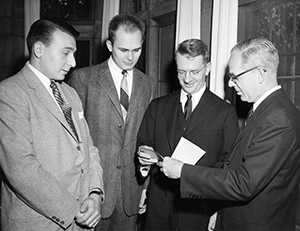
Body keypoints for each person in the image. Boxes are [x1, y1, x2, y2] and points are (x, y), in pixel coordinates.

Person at [159, 37, 300, 231]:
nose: (231, 84)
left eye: (235, 77)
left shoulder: (278, 119)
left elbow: (243, 183)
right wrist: (220, 209)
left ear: (259, 74)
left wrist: (182, 171)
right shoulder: (267, 110)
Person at [0, 19, 104, 231]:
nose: (73, 62)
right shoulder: (9, 93)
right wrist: (74, 210)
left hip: (82, 221)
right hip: (40, 223)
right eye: (66, 53)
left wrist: (95, 194)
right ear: (39, 49)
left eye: (73, 53)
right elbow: (21, 169)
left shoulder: (70, 93)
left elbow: (89, 149)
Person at [137, 38, 240, 231]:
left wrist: (218, 209)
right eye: (181, 71)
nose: (187, 78)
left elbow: (229, 165)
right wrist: (143, 163)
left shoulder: (225, 113)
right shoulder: (157, 107)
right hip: (157, 210)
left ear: (207, 68)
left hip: (198, 212)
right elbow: (143, 145)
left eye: (194, 71)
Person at [68, 14, 157, 231]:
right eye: (123, 50)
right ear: (109, 45)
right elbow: (73, 139)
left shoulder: (148, 84)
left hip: (131, 192)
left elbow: (149, 138)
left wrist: (145, 186)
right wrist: (83, 189)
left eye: (136, 50)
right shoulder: (83, 79)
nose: (130, 57)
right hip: (92, 192)